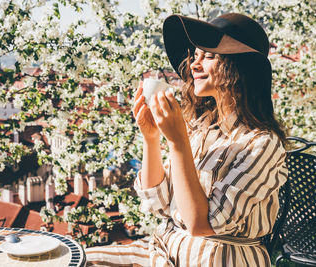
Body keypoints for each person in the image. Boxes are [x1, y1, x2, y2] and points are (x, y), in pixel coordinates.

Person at [86, 12, 287, 267]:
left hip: (217, 259)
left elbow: (200, 224)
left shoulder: (262, 145)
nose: (193, 64)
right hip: (164, 251)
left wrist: (177, 143)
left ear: (238, 68)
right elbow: (158, 202)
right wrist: (151, 138)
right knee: (78, 259)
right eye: (195, 55)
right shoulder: (201, 129)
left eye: (209, 56)